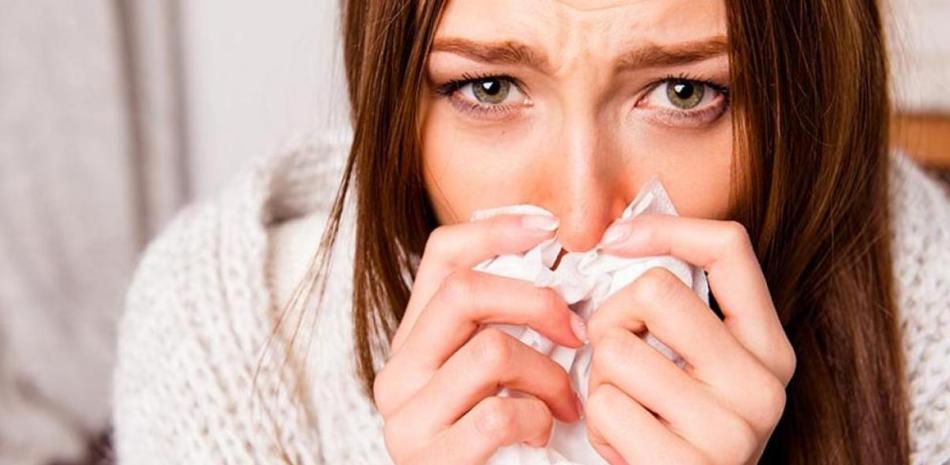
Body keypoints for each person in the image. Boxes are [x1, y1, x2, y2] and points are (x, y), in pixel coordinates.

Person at [112, 0, 950, 464]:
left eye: (685, 94)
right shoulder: (224, 337)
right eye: (488, 88)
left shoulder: (921, 299)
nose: (585, 216)